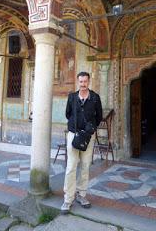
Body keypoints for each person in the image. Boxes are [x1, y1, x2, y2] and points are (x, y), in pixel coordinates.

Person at [61, 71, 103, 214]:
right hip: (73, 135)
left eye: (85, 81)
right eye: (81, 82)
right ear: (77, 82)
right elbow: (68, 114)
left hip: (87, 137)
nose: (83, 84)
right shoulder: (72, 97)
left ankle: (82, 195)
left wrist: (89, 129)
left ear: (89, 81)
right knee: (71, 167)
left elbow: (99, 117)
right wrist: (75, 125)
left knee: (85, 166)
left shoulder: (95, 98)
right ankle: (68, 199)